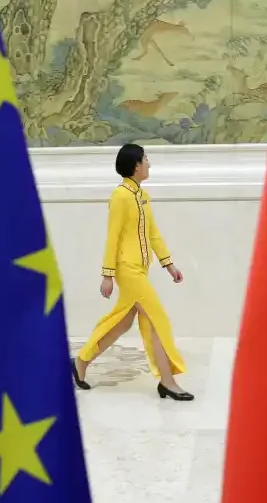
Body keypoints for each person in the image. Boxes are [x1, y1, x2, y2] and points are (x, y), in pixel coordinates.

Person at [71, 143, 193, 401]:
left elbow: (153, 233)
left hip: (141, 269)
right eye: (146, 159)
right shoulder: (120, 196)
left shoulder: (142, 195)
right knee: (158, 319)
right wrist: (107, 275)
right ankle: (168, 381)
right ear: (136, 165)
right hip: (127, 270)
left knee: (122, 322)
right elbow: (112, 237)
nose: (149, 163)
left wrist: (169, 264)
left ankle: (81, 361)